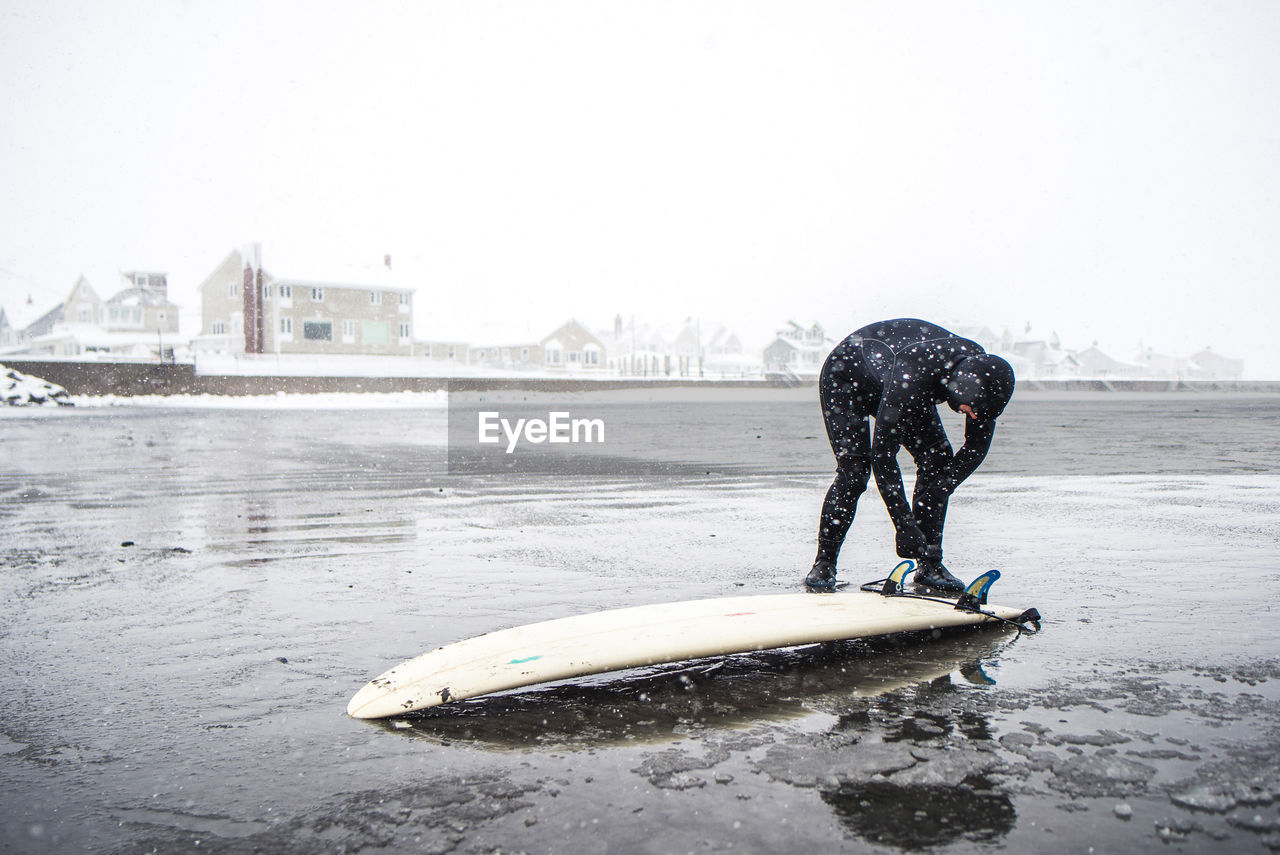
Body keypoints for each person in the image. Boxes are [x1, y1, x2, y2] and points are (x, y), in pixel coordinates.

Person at [805, 318, 1015, 593]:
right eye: (971, 410)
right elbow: (883, 457)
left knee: (938, 461)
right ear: (959, 388)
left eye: (979, 414)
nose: (973, 417)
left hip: (901, 380)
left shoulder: (983, 376)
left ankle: (929, 564)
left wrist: (942, 488)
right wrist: (904, 525)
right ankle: (824, 564)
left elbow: (975, 447)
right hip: (848, 378)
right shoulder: (915, 378)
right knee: (854, 473)